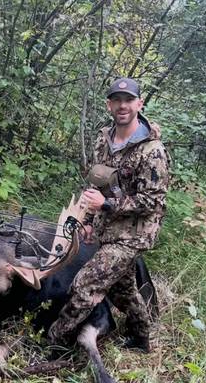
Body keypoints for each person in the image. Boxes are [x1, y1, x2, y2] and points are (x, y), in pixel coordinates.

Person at [48, 77, 169, 352]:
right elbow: (97, 185)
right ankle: (141, 338)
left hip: (134, 234)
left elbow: (153, 201)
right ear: (109, 105)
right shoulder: (104, 140)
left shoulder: (153, 151)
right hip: (108, 227)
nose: (122, 105)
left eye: (129, 100)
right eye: (117, 100)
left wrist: (106, 205)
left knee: (85, 285)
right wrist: (90, 221)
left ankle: (55, 345)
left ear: (139, 104)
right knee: (122, 289)